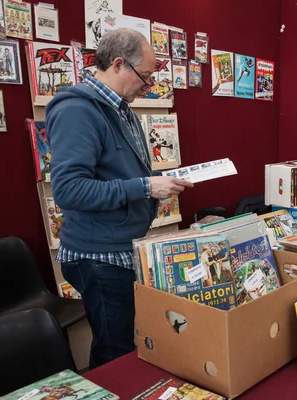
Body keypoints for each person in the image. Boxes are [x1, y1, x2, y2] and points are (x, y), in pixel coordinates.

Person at [46, 29, 194, 368]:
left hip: (122, 246)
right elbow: (69, 191)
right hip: (97, 255)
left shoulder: (121, 107)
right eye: (146, 74)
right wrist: (146, 187)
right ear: (118, 64)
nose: (150, 84)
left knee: (128, 337)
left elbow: (119, 174)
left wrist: (160, 181)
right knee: (115, 350)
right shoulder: (77, 111)